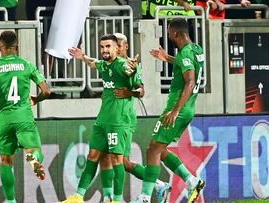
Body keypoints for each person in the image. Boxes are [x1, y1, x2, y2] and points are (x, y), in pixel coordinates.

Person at [0, 31, 50, 203]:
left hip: (4, 120)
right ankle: (33, 159)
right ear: (17, 47)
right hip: (24, 117)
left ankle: (11, 201)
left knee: (6, 160)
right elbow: (46, 91)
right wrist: (36, 99)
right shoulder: (27, 65)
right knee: (34, 150)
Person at [131, 18, 205, 203]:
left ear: (177, 33)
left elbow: (190, 80)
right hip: (188, 108)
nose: (169, 36)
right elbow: (186, 64)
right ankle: (191, 181)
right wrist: (168, 58)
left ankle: (145, 197)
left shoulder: (186, 52)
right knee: (160, 149)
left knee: (153, 150)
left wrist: (175, 110)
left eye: (170, 33)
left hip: (178, 108)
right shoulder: (196, 49)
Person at [61, 34, 138, 203]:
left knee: (117, 160)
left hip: (117, 121)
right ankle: (79, 196)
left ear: (117, 48)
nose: (104, 50)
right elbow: (94, 63)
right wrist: (82, 57)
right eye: (102, 46)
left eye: (108, 46)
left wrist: (131, 75)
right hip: (102, 121)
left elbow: (139, 88)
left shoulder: (123, 65)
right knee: (92, 156)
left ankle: (117, 200)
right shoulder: (104, 65)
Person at [98, 33, 171, 203]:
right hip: (112, 117)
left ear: (124, 47)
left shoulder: (131, 66)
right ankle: (158, 185)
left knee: (117, 160)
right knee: (121, 161)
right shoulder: (110, 66)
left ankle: (114, 198)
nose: (116, 47)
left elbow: (142, 91)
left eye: (119, 45)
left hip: (123, 119)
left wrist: (129, 92)